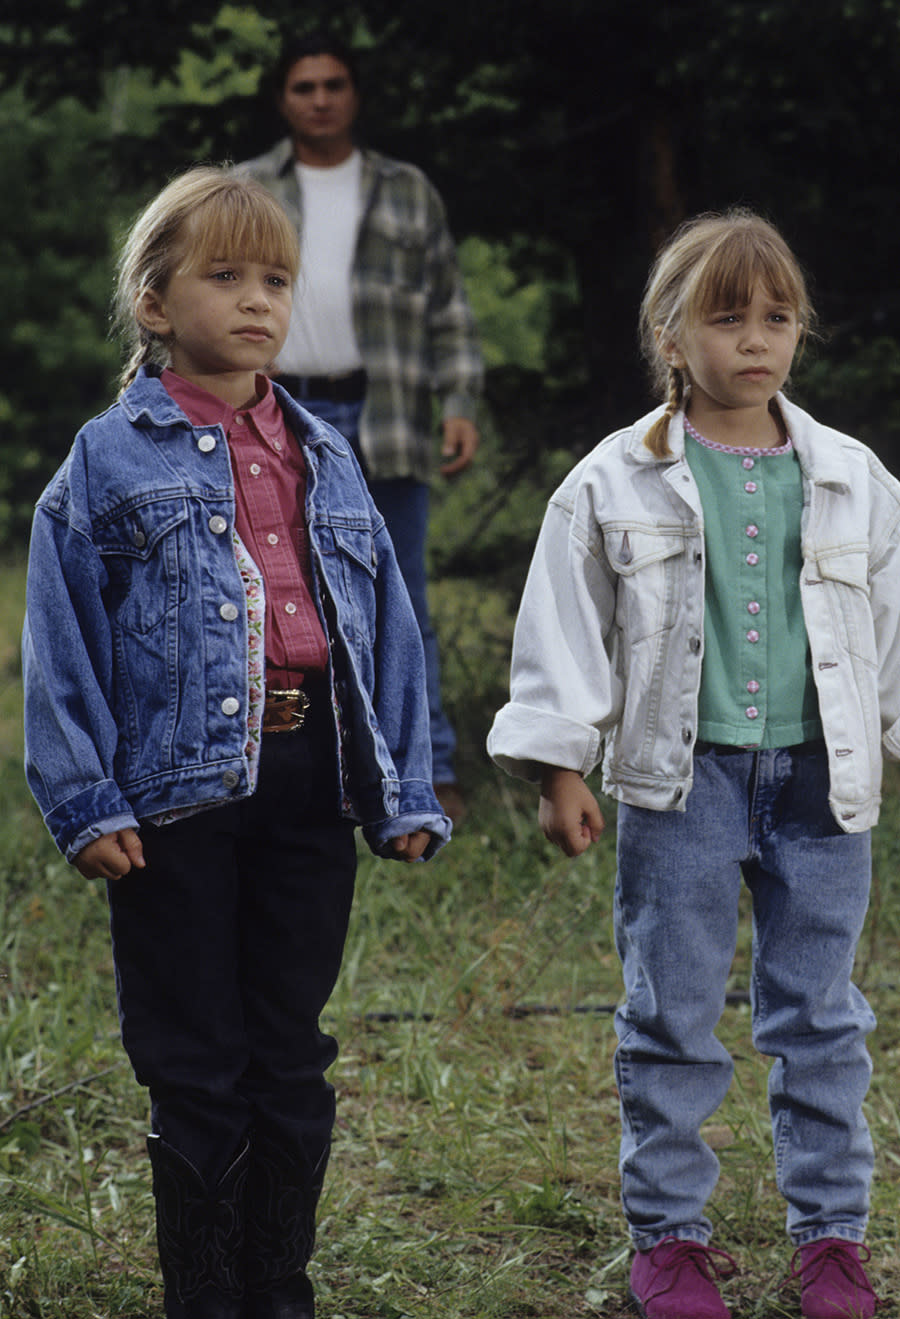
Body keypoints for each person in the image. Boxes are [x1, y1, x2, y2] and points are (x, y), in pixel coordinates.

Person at [22, 166, 450, 1319]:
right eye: (226, 276)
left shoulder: (327, 451)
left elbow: (387, 622)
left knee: (291, 1049)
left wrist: (405, 782)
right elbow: (59, 642)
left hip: (312, 783)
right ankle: (205, 1298)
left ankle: (279, 1290)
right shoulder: (109, 460)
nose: (259, 300)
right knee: (195, 1056)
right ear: (157, 303)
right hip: (177, 798)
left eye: (277, 279)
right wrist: (86, 799)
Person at [487, 210, 894, 1319]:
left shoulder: (855, 477)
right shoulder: (615, 480)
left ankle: (832, 1241)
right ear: (671, 335)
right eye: (725, 316)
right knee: (670, 1009)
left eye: (776, 317)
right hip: (681, 785)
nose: (754, 339)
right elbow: (564, 627)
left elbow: (891, 626)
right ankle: (669, 1237)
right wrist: (561, 763)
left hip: (820, 789)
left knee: (821, 1012)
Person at [236, 30, 484, 823]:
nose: (319, 99)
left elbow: (448, 306)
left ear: (354, 95)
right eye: (304, 86)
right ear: (284, 99)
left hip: (385, 415)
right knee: (283, 589)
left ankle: (426, 768)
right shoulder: (246, 189)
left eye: (333, 84)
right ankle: (307, 763)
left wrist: (459, 404)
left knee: (400, 593)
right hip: (277, 412)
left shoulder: (407, 189)